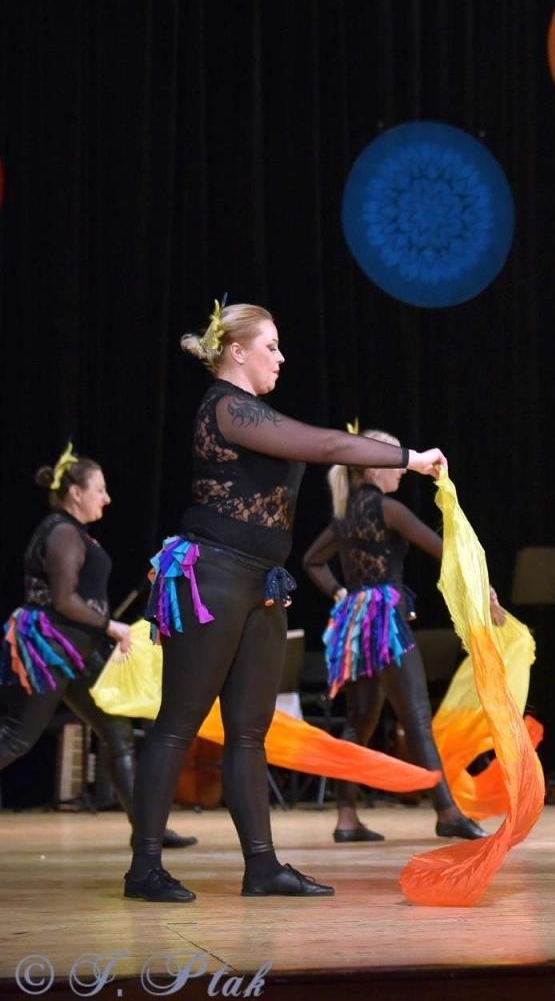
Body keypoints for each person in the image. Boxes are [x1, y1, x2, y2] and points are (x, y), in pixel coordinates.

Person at [124, 301, 448, 902]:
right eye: (270, 346)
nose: (281, 356)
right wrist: (408, 457)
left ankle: (263, 866)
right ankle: (144, 868)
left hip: (262, 584)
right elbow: (325, 446)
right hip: (213, 577)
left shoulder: (256, 411)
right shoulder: (225, 406)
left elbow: (313, 446)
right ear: (237, 351)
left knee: (250, 733)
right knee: (179, 724)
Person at [301, 426, 500, 844]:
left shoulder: (345, 513)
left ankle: (346, 817)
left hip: (356, 627)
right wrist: (484, 587)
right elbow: (444, 551)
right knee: (417, 718)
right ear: (375, 468)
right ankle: (447, 811)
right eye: (395, 463)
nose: (401, 472)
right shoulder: (387, 510)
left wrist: (341, 594)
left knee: (359, 721)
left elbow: (311, 561)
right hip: (387, 624)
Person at [1, 447, 194, 848]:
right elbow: (64, 600)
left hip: (77, 652)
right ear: (75, 493)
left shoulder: (74, 532)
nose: (106, 498)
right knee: (17, 738)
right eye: (100, 490)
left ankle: (147, 832)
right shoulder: (62, 532)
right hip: (51, 648)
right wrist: (111, 626)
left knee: (117, 733)